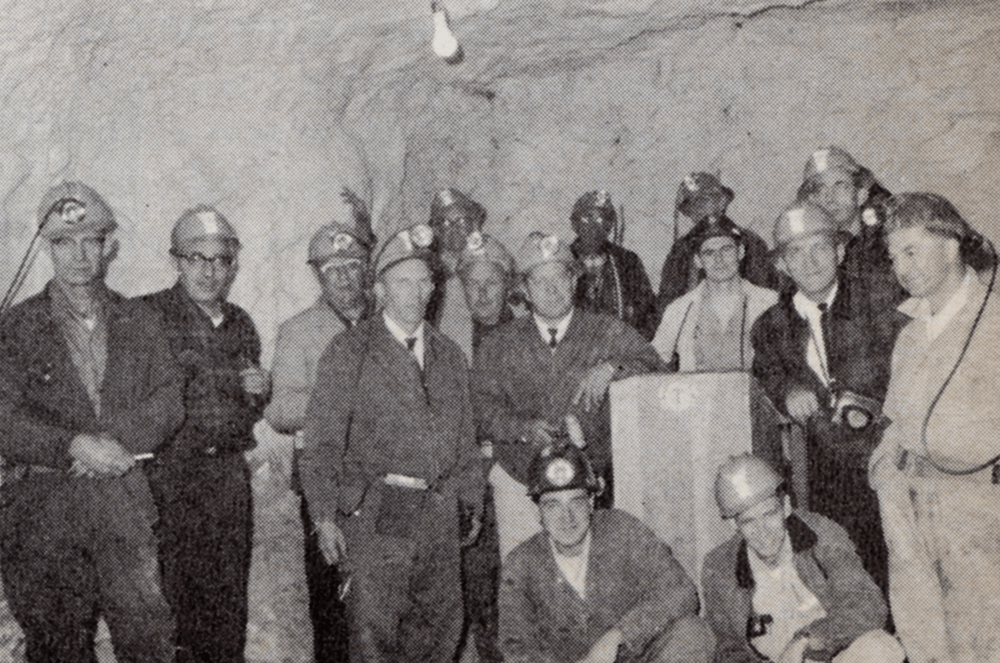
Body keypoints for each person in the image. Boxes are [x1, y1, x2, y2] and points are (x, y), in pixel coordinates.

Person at [0, 181, 180, 662]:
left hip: (122, 500)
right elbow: (4, 418)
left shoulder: (140, 321)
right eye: (64, 243)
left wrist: (109, 444)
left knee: (147, 640)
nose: (79, 255)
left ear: (108, 247)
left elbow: (168, 400)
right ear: (46, 247)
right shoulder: (16, 328)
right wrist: (73, 445)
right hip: (42, 509)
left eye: (91, 241)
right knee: (57, 644)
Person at [299, 223, 484, 663]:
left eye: (425, 282)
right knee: (375, 635)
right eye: (404, 282)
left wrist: (471, 500)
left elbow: (465, 442)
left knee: (440, 632)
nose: (417, 293)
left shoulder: (449, 355)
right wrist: (324, 514)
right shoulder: (349, 351)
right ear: (380, 288)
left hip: (440, 510)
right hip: (381, 512)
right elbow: (322, 442)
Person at [473, 232, 664, 558]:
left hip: (588, 481)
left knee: (589, 572)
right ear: (524, 289)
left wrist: (614, 368)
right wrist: (521, 429)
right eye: (539, 281)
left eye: (560, 277)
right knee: (524, 572)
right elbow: (480, 405)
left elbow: (653, 366)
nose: (551, 290)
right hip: (520, 478)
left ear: (574, 281)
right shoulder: (499, 344)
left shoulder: (606, 330)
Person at [869, 192, 1000, 663]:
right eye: (893, 256)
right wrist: (884, 475)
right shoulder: (909, 332)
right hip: (907, 505)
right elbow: (895, 420)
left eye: (912, 250)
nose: (902, 267)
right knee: (925, 643)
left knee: (982, 642)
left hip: (976, 512)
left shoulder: (993, 321)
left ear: (950, 246)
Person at [750, 203, 904, 595]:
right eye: (795, 253)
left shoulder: (881, 300)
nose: (810, 261)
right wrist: (788, 390)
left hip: (894, 455)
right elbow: (766, 369)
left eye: (819, 247)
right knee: (850, 572)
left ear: (839, 251)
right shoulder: (770, 327)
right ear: (782, 265)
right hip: (827, 470)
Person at [141, 205, 269, 663]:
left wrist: (258, 394)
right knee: (173, 606)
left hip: (228, 480)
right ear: (176, 260)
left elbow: (243, 410)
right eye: (197, 258)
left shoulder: (241, 323)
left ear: (232, 265)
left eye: (220, 260)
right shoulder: (147, 316)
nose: (209, 271)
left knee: (228, 602)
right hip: (170, 480)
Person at [265, 190, 374, 663]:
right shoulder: (299, 331)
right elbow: (280, 410)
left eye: (352, 267)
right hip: (324, 479)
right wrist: (337, 402)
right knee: (331, 598)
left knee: (378, 596)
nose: (345, 278)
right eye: (334, 270)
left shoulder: (388, 324)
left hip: (380, 476)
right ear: (318, 276)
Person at [498, 442, 715, 663]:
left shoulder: (622, 530)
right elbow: (515, 646)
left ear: (592, 502)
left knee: (692, 634)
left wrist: (618, 635)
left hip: (634, 658)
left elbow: (680, 590)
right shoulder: (521, 563)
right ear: (538, 512)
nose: (567, 518)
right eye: (553, 505)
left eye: (577, 502)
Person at [702, 454, 905, 663]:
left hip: (828, 656)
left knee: (883, 647)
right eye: (749, 522)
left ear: (786, 506)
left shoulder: (821, 536)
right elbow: (728, 649)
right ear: (733, 525)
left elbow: (868, 606)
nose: (763, 532)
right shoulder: (718, 569)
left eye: (770, 514)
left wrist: (809, 640)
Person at [453, 231, 516, 663]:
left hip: (514, 474)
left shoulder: (528, 335)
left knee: (517, 583)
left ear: (507, 285)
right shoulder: (448, 340)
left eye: (490, 282)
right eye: (472, 284)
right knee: (476, 590)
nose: (481, 293)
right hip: (468, 478)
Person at [652, 215, 778, 372]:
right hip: (697, 396)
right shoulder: (680, 309)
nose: (719, 259)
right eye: (709, 253)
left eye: (726, 249)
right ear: (698, 261)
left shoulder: (770, 302)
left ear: (740, 252)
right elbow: (653, 363)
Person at [796, 146, 905, 316]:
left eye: (840, 186)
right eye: (819, 189)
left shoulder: (890, 240)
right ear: (811, 202)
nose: (829, 198)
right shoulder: (808, 258)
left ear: (861, 194)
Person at [656, 173, 781, 315]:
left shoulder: (749, 241)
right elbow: (667, 300)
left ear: (721, 202)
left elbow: (765, 292)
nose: (698, 209)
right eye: (692, 204)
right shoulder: (680, 249)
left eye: (705, 200)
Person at [569, 190, 658, 340]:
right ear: (575, 223)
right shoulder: (562, 262)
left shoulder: (627, 262)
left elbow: (649, 313)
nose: (594, 226)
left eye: (602, 219)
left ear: (609, 226)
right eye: (587, 217)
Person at [425, 187, 487, 332]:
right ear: (436, 229)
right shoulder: (427, 273)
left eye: (462, 222)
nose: (454, 229)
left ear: (474, 226)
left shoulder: (488, 266)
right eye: (445, 223)